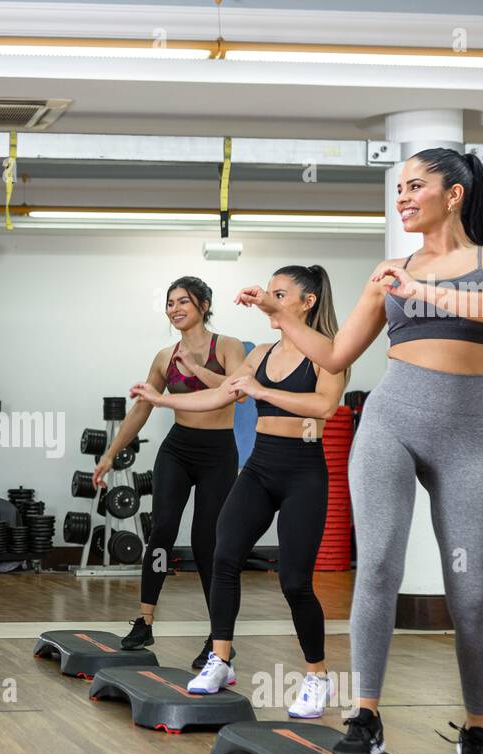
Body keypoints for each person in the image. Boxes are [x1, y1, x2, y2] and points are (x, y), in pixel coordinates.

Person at [250, 148, 483, 754]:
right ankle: (365, 715)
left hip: (467, 433)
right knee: (376, 563)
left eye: (414, 186)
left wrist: (422, 290)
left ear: (453, 194)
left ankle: (478, 730)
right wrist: (282, 317)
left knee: (471, 595)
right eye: (397, 187)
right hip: (390, 421)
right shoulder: (389, 270)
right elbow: (338, 351)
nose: (402, 197)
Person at [132, 265, 345, 717]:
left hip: (303, 472)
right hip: (260, 468)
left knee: (294, 581)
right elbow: (220, 395)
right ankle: (221, 659)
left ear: (307, 303)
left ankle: (317, 676)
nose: (270, 300)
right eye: (268, 292)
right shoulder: (262, 352)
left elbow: (323, 405)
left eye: (280, 294)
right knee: (224, 556)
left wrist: (261, 388)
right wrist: (164, 400)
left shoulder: (328, 354)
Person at [95, 276, 245, 670]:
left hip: (218, 452)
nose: (175, 308)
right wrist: (111, 454)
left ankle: (219, 637)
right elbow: (143, 408)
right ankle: (144, 622)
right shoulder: (164, 356)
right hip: (178, 448)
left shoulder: (227, 347)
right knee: (161, 530)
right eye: (170, 303)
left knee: (206, 542)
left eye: (184, 302)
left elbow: (238, 390)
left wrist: (196, 367)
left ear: (205, 305)